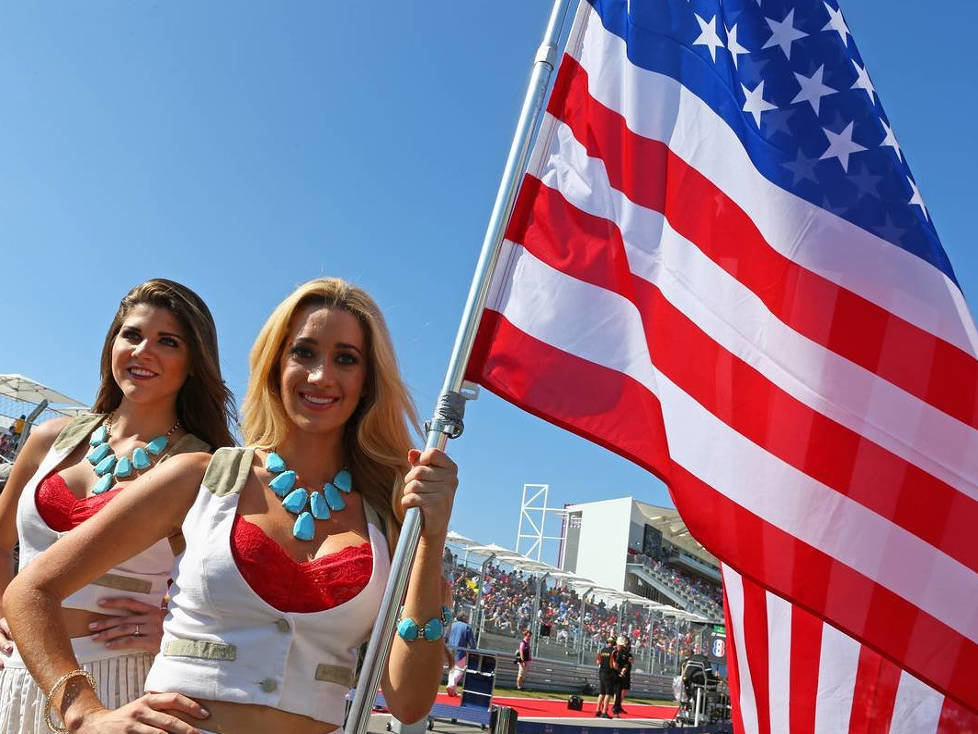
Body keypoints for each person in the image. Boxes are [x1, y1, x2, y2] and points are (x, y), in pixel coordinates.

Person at [4, 277, 458, 734]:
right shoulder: (197, 477)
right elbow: (30, 591)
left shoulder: (388, 518)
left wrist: (431, 538)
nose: (321, 375)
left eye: (346, 358)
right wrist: (83, 711)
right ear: (274, 365)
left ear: (367, 381)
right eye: (303, 352)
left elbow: (408, 703)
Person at [0, 279, 235, 733]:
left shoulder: (200, 469)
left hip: (121, 688)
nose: (143, 351)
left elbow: (224, 590)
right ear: (112, 344)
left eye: (168, 341)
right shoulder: (50, 439)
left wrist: (171, 627)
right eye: (132, 335)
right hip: (18, 676)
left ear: (194, 363)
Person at [445, 613, 474, 696]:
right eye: (467, 617)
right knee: (459, 671)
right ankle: (451, 684)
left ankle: (452, 690)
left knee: (452, 670)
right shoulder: (467, 627)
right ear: (463, 617)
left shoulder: (451, 625)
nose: (468, 619)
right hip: (461, 652)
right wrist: (472, 651)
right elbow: (472, 643)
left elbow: (445, 638)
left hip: (450, 651)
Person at [594, 636, 617, 718]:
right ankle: (604, 712)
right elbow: (614, 665)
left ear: (607, 642)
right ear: (614, 643)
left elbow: (598, 662)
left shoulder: (602, 650)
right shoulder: (613, 652)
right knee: (608, 693)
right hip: (609, 673)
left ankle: (597, 710)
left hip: (601, 672)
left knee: (601, 693)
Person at [611, 636, 632, 716]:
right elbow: (615, 664)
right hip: (619, 674)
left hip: (626, 674)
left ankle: (619, 706)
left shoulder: (627, 653)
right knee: (618, 692)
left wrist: (630, 661)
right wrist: (621, 671)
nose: (628, 646)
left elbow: (629, 662)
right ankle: (615, 708)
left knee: (625, 690)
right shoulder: (617, 652)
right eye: (626, 644)